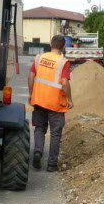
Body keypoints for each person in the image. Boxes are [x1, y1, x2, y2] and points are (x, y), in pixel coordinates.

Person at [28, 34, 74, 172]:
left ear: (50, 44)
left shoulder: (39, 58)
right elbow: (64, 83)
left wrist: (31, 94)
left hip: (39, 100)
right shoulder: (63, 62)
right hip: (55, 103)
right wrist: (69, 99)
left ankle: (38, 152)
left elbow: (31, 76)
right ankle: (52, 164)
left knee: (40, 128)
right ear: (63, 46)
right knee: (55, 134)